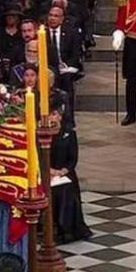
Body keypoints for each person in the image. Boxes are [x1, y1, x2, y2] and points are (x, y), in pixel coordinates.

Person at [47, 93, 92, 243]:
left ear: (60, 116)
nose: (52, 118)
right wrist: (51, 171)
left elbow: (73, 158)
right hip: (47, 173)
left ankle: (67, 229)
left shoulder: (69, 134)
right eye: (49, 115)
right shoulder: (43, 134)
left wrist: (63, 171)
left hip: (65, 173)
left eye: (54, 114)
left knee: (67, 189)